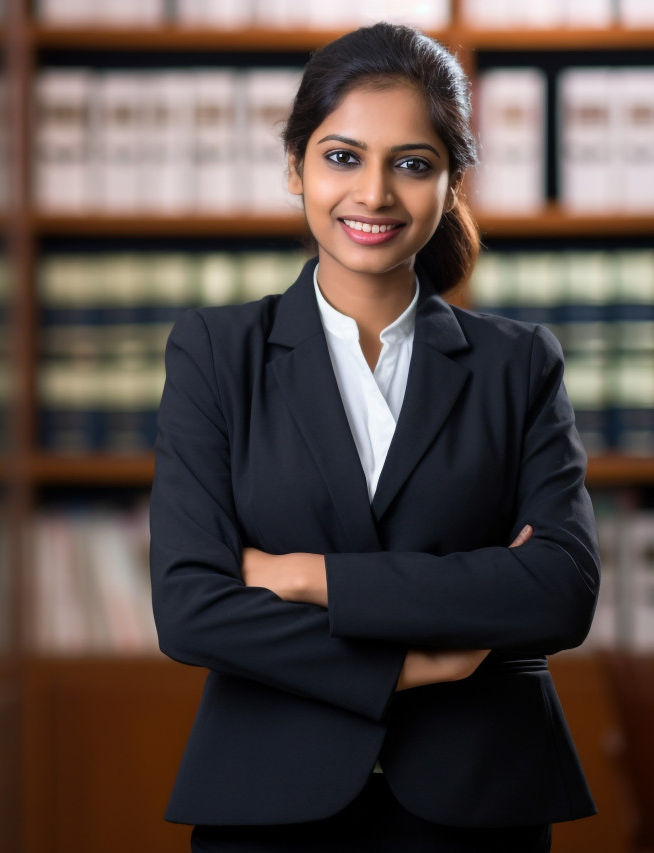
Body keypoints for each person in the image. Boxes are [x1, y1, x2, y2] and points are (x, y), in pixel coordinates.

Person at [149, 21, 601, 853]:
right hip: (268, 800)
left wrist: (305, 576)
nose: (375, 194)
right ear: (295, 167)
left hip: (480, 801)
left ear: (452, 182)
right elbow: (191, 609)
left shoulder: (518, 363)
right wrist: (414, 661)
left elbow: (558, 589)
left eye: (413, 163)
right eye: (342, 156)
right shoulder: (216, 353)